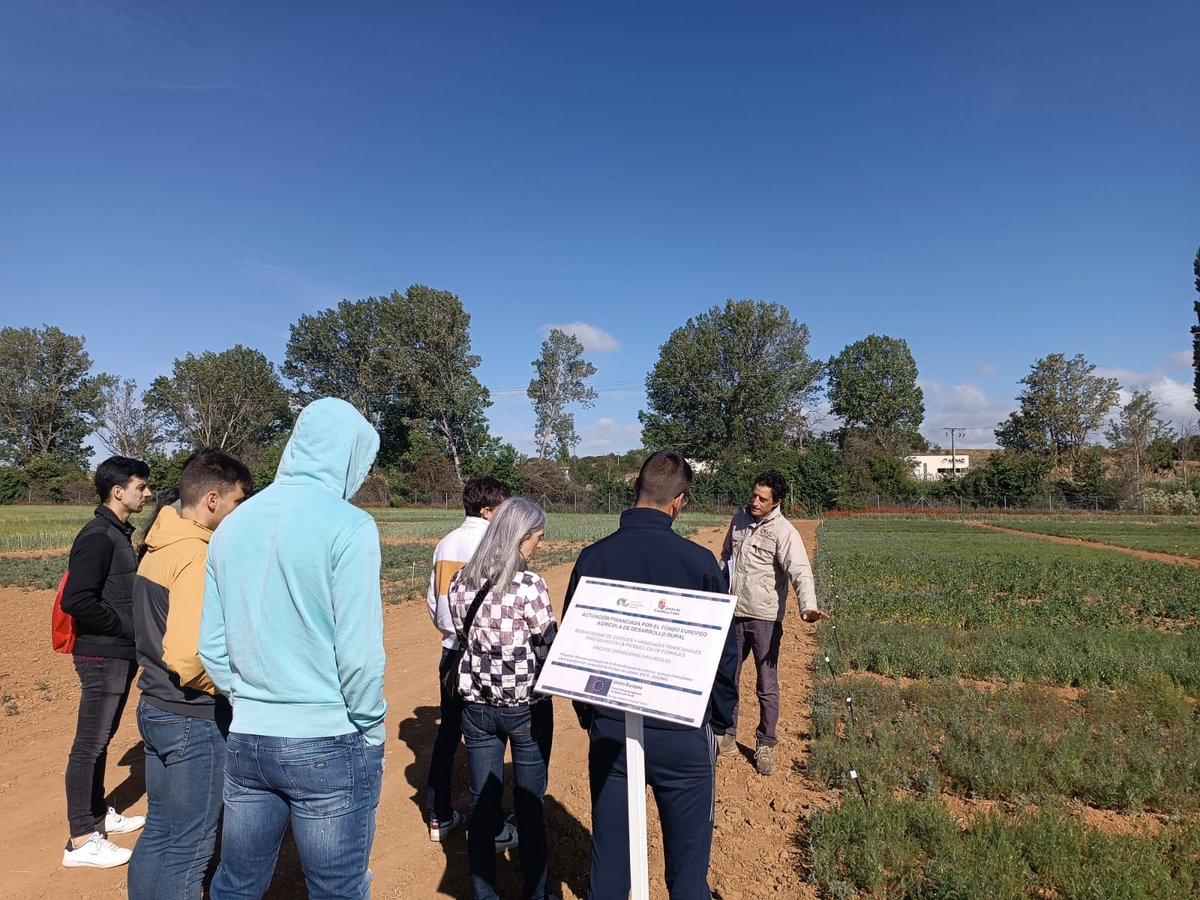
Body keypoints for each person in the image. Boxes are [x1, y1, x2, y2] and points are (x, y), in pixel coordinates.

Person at [198, 398, 387, 900]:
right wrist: (369, 727)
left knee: (236, 884)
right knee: (336, 888)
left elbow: (210, 646)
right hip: (328, 739)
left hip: (248, 736)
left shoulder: (232, 525)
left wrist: (247, 700)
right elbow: (360, 654)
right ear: (349, 456)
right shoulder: (349, 525)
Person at [564, 450, 737, 900]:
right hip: (683, 730)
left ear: (634, 491)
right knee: (687, 864)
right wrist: (719, 719)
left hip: (611, 725)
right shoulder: (699, 564)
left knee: (612, 857)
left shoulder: (592, 559)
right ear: (678, 502)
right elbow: (724, 655)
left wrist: (590, 714)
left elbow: (574, 646)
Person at [127, 449, 253, 899]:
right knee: (192, 845)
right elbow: (187, 657)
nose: (242, 513)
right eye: (240, 502)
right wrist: (236, 690)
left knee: (161, 831)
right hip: (192, 717)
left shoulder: (159, 542)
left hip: (156, 708)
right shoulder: (196, 555)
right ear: (213, 499)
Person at [449, 497, 557, 900]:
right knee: (529, 806)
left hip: (476, 708)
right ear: (519, 537)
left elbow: (460, 634)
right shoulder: (529, 585)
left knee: (483, 804)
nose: (538, 546)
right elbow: (547, 647)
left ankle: (484, 893)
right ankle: (537, 892)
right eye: (536, 538)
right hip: (525, 708)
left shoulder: (461, 580)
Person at [61, 455, 152, 869]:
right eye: (141, 487)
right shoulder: (99, 535)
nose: (147, 493)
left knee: (100, 742)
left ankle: (97, 817)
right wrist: (125, 628)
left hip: (114, 651)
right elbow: (76, 599)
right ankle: (81, 839)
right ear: (119, 491)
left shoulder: (116, 532)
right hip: (102, 653)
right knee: (89, 746)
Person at [718, 471, 824, 776]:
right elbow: (726, 556)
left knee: (766, 685)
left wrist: (809, 607)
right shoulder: (739, 521)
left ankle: (765, 743)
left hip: (765, 618)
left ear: (776, 502)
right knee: (727, 678)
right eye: (753, 495)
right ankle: (726, 735)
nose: (754, 501)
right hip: (733, 614)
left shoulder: (784, 531)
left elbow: (800, 571)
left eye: (762, 499)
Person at [425, 476, 513, 844]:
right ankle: (489, 823)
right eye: (503, 509)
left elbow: (435, 602)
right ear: (487, 510)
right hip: (486, 654)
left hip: (451, 651)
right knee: (488, 738)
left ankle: (438, 815)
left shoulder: (445, 543)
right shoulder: (494, 545)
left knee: (448, 733)